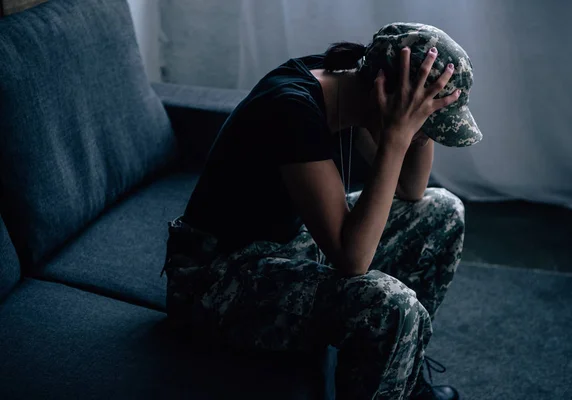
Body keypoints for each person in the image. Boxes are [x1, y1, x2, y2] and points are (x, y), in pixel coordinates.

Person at [162, 22, 482, 400]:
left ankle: (403, 374)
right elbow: (352, 259)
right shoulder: (292, 108)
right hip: (214, 280)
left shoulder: (354, 84)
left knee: (443, 210)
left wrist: (415, 128)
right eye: (423, 123)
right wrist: (397, 136)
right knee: (389, 304)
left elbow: (411, 191)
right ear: (384, 89)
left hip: (282, 244)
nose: (422, 132)